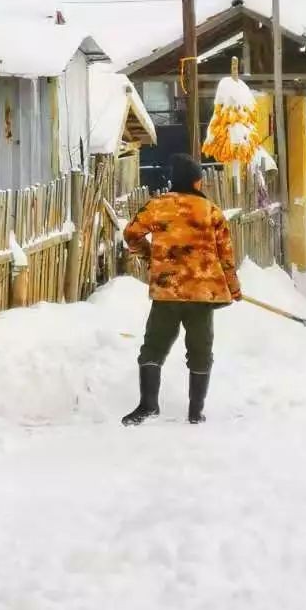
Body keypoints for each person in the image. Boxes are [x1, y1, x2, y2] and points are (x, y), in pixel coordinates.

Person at [121, 154, 241, 426]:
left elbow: (131, 234)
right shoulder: (211, 211)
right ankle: (195, 412)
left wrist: (148, 255)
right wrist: (233, 288)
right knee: (200, 351)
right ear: (197, 181)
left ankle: (148, 404)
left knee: (153, 348)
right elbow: (226, 256)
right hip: (202, 295)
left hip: (167, 292)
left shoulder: (157, 206)